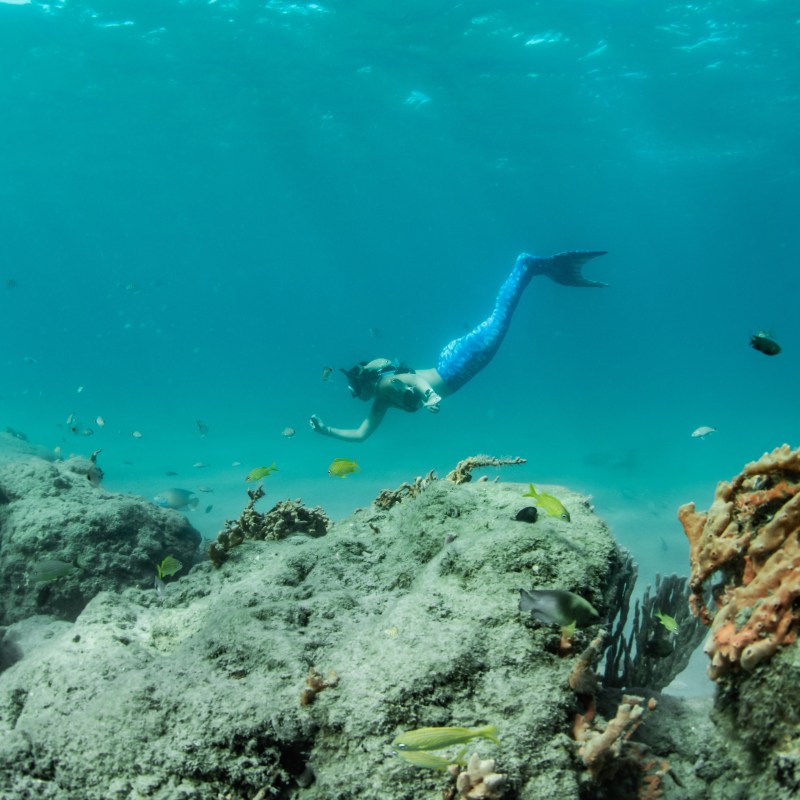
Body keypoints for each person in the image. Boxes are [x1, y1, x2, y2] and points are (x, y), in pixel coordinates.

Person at [309, 250, 607, 442]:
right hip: (454, 365)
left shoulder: (385, 385)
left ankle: (525, 265)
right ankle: (528, 269)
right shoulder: (381, 401)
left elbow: (412, 379)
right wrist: (326, 431)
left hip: (456, 365)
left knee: (500, 319)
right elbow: (362, 434)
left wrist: (429, 397)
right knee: (499, 322)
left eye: (354, 389)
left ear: (365, 382)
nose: (354, 395)